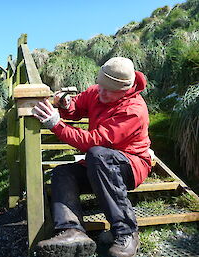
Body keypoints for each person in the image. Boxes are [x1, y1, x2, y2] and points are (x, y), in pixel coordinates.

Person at [32, 57, 152, 257]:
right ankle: (72, 230)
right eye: (100, 86)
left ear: (125, 90)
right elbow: (77, 107)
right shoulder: (99, 90)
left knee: (97, 154)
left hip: (131, 165)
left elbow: (92, 141)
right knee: (63, 172)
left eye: (108, 90)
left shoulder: (134, 111)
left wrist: (56, 124)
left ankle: (127, 232)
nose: (101, 93)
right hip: (101, 163)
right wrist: (66, 103)